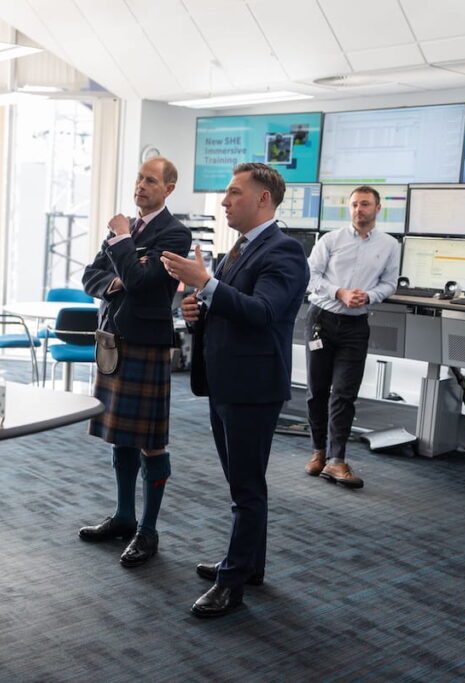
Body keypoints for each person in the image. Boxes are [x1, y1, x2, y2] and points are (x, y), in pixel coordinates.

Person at [160, 162, 308, 618]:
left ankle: (232, 582)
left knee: (246, 488)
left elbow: (262, 313)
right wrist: (195, 306)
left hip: (253, 387)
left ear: (263, 199)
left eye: (233, 193)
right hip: (225, 381)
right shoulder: (235, 251)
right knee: (242, 483)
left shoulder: (285, 252)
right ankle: (250, 565)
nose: (223, 201)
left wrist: (206, 284)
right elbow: (227, 306)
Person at [78, 157, 191, 567]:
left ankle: (148, 530)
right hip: (113, 341)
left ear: (169, 188)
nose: (140, 186)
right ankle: (124, 517)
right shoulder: (123, 231)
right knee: (120, 437)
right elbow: (89, 276)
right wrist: (115, 280)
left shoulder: (175, 233)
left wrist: (123, 240)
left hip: (147, 345)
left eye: (150, 180)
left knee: (150, 440)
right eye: (139, 178)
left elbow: (144, 286)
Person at [303, 186, 400, 488]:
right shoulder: (330, 240)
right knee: (317, 390)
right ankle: (319, 451)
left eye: (366, 204)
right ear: (349, 208)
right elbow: (310, 276)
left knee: (344, 393)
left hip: (356, 326)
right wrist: (339, 292)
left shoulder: (389, 245)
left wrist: (368, 296)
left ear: (378, 208)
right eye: (355, 205)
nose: (360, 210)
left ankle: (336, 460)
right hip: (321, 320)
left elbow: (390, 283)